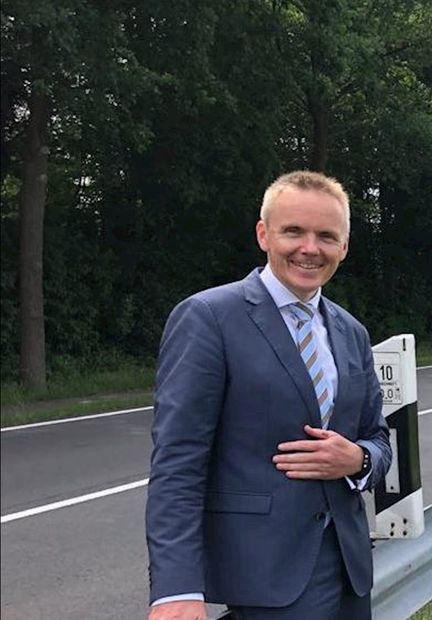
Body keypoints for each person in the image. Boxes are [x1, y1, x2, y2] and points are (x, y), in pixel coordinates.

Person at [145, 171, 392, 619]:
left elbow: (377, 437)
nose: (310, 248)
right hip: (263, 578)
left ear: (344, 247)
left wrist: (357, 460)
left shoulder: (351, 332)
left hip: (349, 571)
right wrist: (176, 588)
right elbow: (177, 462)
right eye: (293, 231)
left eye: (326, 236)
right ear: (264, 234)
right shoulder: (209, 318)